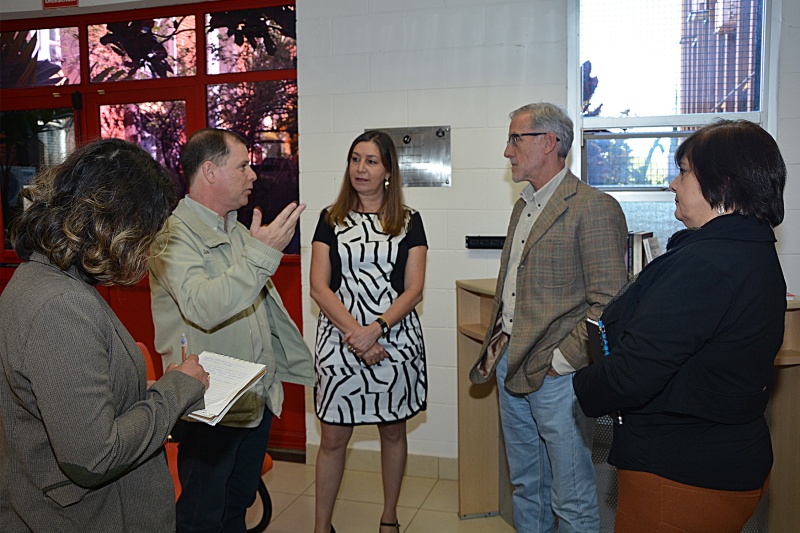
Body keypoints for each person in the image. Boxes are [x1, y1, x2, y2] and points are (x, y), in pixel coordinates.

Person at [573, 119, 786, 533]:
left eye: (684, 171)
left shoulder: (707, 264)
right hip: (726, 460)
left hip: (684, 473)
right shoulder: (750, 249)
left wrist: (583, 386)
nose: (673, 183)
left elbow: (636, 372)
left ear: (721, 184)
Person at [0, 138, 209, 532]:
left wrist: (145, 388)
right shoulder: (61, 305)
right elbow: (94, 458)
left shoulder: (43, 276)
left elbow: (67, 398)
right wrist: (176, 390)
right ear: (121, 226)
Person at [469, 103, 628, 532]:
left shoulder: (593, 207)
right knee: (526, 486)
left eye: (515, 139)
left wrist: (563, 362)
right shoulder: (524, 206)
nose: (507, 151)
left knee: (572, 499)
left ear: (549, 142)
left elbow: (609, 303)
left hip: (557, 377)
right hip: (509, 363)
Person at [149, 128, 314, 532]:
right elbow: (204, 305)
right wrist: (262, 255)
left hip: (252, 399)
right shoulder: (172, 236)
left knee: (235, 507)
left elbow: (260, 312)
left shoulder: (236, 229)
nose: (253, 174)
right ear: (209, 171)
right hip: (209, 404)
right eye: (242, 165)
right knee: (202, 516)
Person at [310, 130, 428, 533]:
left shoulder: (410, 222)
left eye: (372, 161)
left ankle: (389, 519)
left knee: (393, 433)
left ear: (388, 171)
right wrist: (357, 335)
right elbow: (318, 286)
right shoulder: (330, 219)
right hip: (341, 345)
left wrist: (374, 330)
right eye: (355, 159)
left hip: (394, 343)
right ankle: (322, 526)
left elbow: (413, 289)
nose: (361, 168)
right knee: (332, 440)